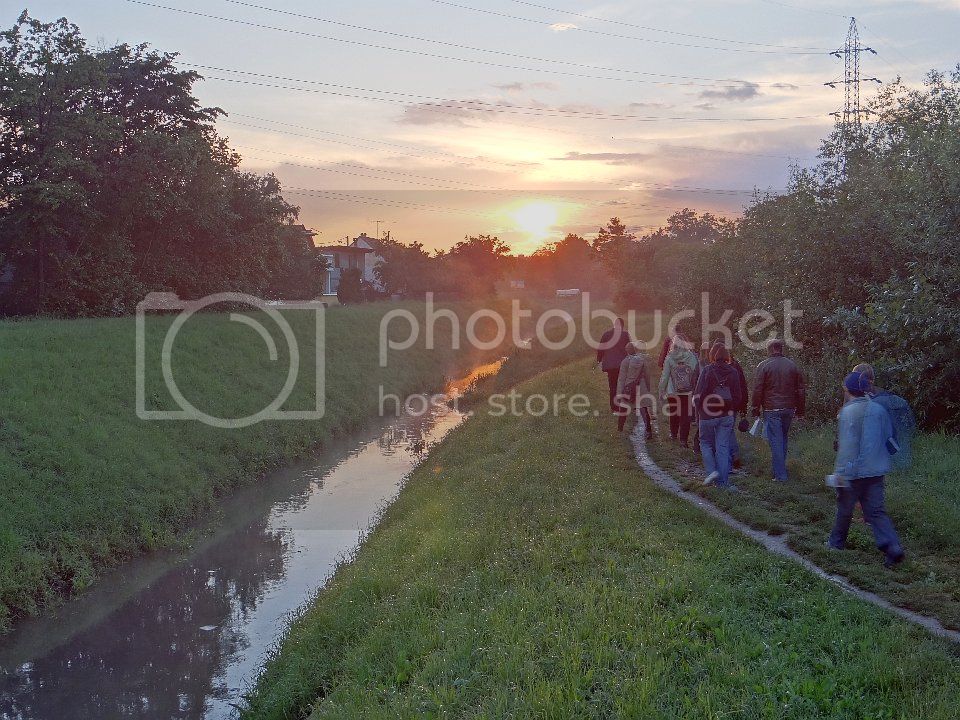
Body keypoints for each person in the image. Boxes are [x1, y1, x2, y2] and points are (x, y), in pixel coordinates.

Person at [827, 371, 905, 568]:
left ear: (847, 390)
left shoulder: (847, 412)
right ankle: (893, 547)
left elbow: (847, 447)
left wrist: (840, 474)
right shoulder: (879, 409)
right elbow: (888, 437)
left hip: (852, 472)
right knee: (877, 512)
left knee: (845, 509)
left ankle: (836, 544)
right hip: (876, 470)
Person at [751, 338, 806, 482]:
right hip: (789, 408)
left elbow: (758, 390)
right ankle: (780, 470)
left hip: (772, 409)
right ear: (781, 349)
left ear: (769, 350)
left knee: (775, 441)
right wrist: (800, 411)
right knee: (783, 438)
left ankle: (780, 475)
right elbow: (801, 390)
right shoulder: (792, 365)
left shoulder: (764, 365)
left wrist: (755, 409)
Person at [694, 344, 743, 490]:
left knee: (705, 443)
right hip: (726, 415)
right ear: (727, 355)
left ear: (712, 355)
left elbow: (698, 393)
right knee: (723, 447)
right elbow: (738, 396)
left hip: (707, 414)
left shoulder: (707, 370)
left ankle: (711, 471)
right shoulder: (733, 372)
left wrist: (699, 411)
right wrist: (732, 410)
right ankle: (723, 483)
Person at [714, 340, 749, 472]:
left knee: (724, 431)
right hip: (734, 403)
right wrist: (743, 406)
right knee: (728, 430)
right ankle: (733, 456)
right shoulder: (736, 366)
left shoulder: (715, 368)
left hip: (720, 404)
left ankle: (730, 458)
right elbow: (743, 387)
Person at [659, 334, 698, 447]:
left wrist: (661, 390)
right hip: (687, 391)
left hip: (673, 391)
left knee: (674, 412)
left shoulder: (670, 357)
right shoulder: (691, 357)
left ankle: (673, 434)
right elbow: (695, 373)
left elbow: (665, 376)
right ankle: (683, 440)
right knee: (686, 415)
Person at [615, 342, 654, 438]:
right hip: (641, 387)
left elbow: (621, 379)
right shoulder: (642, 360)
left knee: (623, 408)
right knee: (643, 409)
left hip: (629, 388)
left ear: (627, 351)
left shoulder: (625, 362)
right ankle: (648, 430)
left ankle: (620, 428)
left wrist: (619, 394)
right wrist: (648, 387)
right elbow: (647, 375)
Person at [597, 318, 631, 413]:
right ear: (622, 325)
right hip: (623, 365)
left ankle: (614, 408)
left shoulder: (606, 334)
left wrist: (599, 360)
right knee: (622, 385)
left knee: (612, 386)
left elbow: (601, 348)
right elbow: (630, 348)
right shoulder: (625, 335)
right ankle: (623, 405)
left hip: (610, 365)